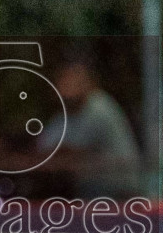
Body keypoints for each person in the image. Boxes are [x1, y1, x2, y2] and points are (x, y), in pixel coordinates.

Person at [38, 56, 141, 199]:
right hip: (90, 192)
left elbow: (71, 151)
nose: (66, 87)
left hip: (119, 194)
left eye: (72, 80)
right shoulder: (64, 114)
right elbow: (43, 148)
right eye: (63, 81)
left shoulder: (100, 105)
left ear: (86, 82)